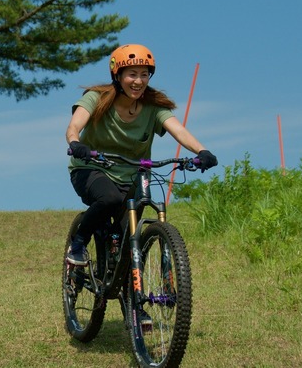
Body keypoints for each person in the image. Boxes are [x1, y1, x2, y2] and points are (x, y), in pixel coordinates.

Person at [65, 44, 217, 266]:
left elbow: (179, 131)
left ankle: (128, 282)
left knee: (129, 228)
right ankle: (78, 243)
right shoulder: (96, 98)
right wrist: (76, 143)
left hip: (132, 175)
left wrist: (202, 151)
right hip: (91, 168)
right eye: (132, 74)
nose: (138, 81)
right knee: (110, 199)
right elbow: (73, 126)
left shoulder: (153, 107)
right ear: (117, 75)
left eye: (144, 75)